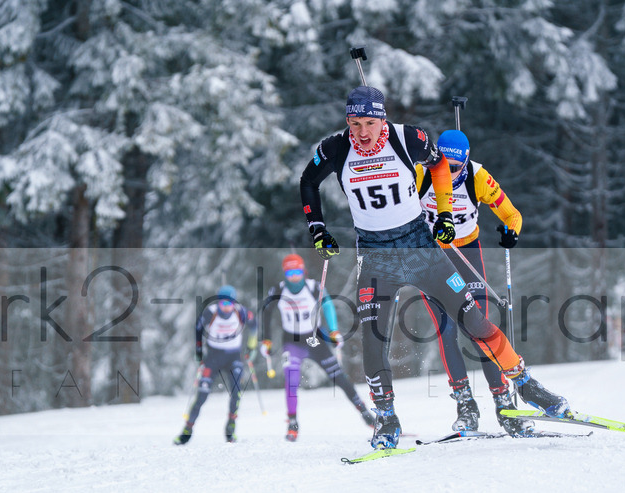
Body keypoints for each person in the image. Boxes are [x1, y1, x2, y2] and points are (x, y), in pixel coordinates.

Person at [299, 84, 570, 449]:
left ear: (382, 119)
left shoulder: (407, 139)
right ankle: (386, 418)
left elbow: (440, 164)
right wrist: (318, 228)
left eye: (368, 123)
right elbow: (308, 180)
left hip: (421, 249)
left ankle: (524, 384)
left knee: (474, 320)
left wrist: (444, 213)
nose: (361, 133)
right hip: (377, 257)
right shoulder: (336, 147)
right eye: (354, 123)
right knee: (373, 339)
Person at [415, 128, 534, 437]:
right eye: (442, 165)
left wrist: (512, 231)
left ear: (465, 162)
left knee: (478, 328)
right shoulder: (419, 172)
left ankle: (504, 403)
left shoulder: (478, 177)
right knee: (447, 329)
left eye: (456, 168)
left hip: (467, 253)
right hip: (431, 258)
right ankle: (465, 404)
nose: (448, 173)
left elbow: (513, 215)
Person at [260, 253, 376, 441]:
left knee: (339, 377)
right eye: (290, 273)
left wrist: (334, 331)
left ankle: (365, 413)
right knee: (291, 380)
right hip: (292, 341)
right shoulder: (278, 291)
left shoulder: (314, 287)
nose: (294, 276)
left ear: (303, 271)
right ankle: (292, 423)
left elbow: (328, 306)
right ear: (285, 274)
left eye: (297, 271)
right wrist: (266, 340)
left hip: (315, 339)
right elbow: (266, 313)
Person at [174, 285, 257, 445]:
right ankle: (187, 429)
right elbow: (198, 329)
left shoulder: (241, 312)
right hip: (213, 358)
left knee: (236, 392)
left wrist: (251, 347)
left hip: (233, 357)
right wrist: (198, 350)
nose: (226, 308)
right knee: (202, 395)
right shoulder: (210, 312)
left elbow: (254, 326)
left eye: (229, 304)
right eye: (223, 304)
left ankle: (230, 426)